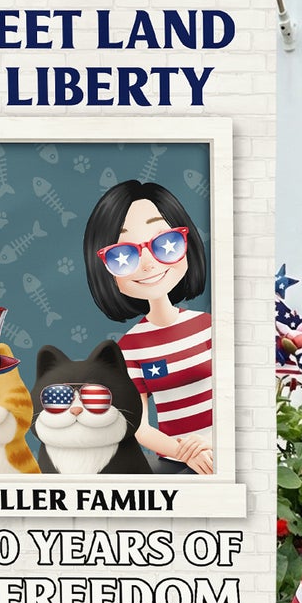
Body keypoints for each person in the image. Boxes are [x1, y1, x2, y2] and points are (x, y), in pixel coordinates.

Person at [83, 179, 214, 476]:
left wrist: (211, 444)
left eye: (164, 244)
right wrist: (189, 453)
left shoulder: (209, 328)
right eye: (123, 255)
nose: (148, 264)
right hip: (175, 461)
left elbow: (238, 400)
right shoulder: (129, 348)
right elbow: (139, 427)